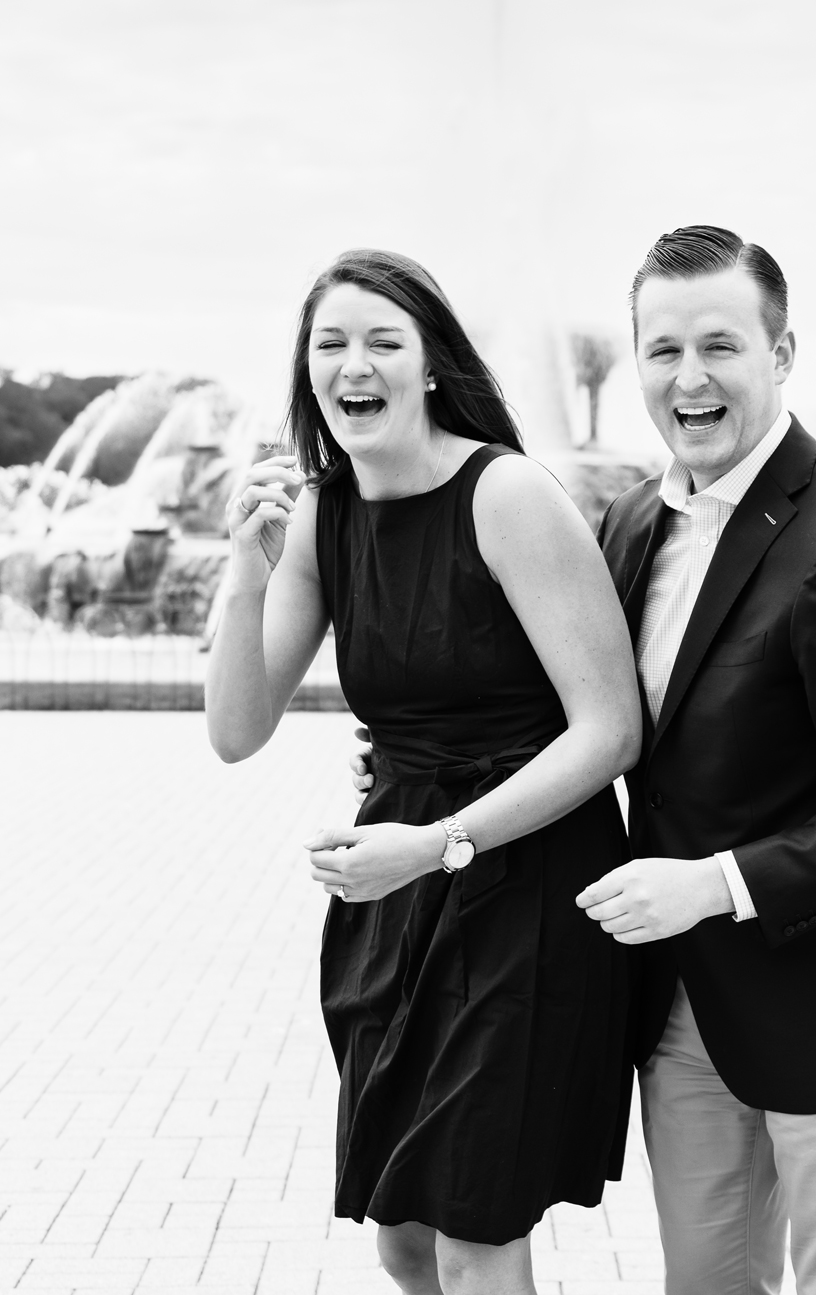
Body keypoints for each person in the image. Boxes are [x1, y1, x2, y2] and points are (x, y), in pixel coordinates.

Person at [206, 250, 642, 1295]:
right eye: (331, 344)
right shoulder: (324, 513)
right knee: (403, 1240)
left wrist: (441, 846)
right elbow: (235, 728)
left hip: (526, 890)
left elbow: (608, 730)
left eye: (382, 341)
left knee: (472, 1235)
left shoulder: (507, 496)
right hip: (393, 904)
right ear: (308, 373)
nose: (354, 364)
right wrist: (244, 560)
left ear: (432, 365)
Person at [570, 226, 816, 1294]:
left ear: (781, 356)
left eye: (720, 346)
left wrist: (710, 886)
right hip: (684, 1009)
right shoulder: (625, 527)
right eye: (662, 351)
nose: (688, 379)